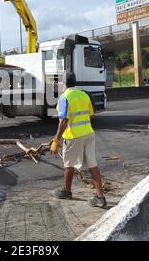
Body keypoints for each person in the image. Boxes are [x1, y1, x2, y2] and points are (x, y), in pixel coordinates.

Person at [50, 72, 107, 208]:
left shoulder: (65, 98)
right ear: (75, 82)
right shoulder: (84, 95)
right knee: (93, 164)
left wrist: (56, 140)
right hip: (89, 133)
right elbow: (91, 114)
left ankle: (67, 191)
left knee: (69, 164)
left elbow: (63, 121)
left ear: (63, 83)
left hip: (73, 136)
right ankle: (100, 197)